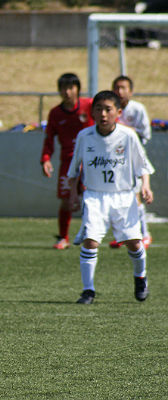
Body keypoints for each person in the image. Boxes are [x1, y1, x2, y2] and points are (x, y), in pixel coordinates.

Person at [67, 90, 154, 305]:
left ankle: (140, 278)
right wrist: (72, 196)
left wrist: (146, 186)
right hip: (95, 196)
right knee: (90, 241)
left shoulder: (128, 135)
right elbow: (73, 170)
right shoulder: (84, 136)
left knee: (134, 243)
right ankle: (88, 290)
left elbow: (142, 165)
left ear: (118, 112)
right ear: (92, 112)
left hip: (124, 196)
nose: (103, 114)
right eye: (99, 109)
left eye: (108, 109)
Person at [40, 73, 94, 249]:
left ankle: (92, 234)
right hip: (68, 162)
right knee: (66, 200)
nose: (67, 92)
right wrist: (46, 159)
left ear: (78, 88)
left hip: (91, 160)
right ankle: (63, 237)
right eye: (63, 88)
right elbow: (49, 139)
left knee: (91, 198)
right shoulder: (55, 113)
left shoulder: (90, 106)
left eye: (71, 87)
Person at [109, 75, 152, 249]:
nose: (119, 91)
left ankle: (144, 234)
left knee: (135, 198)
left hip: (133, 160)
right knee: (117, 200)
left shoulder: (138, 109)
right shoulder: (110, 109)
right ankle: (123, 235)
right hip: (115, 162)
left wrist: (123, 130)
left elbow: (145, 135)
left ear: (130, 91)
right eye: (116, 88)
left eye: (123, 88)